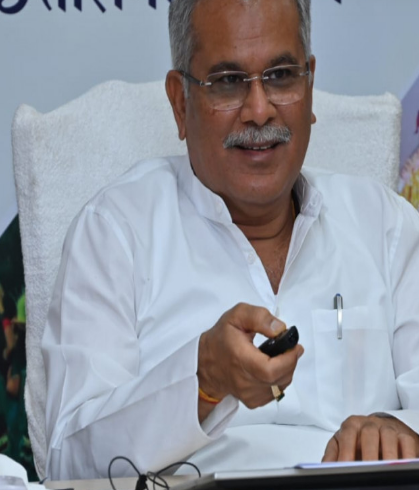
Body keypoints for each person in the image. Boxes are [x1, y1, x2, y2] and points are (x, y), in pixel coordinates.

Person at [41, 0, 419, 480]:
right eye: (228, 82)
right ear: (180, 103)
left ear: (309, 87)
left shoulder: (385, 226)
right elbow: (68, 460)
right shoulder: (116, 232)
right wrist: (203, 382)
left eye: (280, 76)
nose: (259, 111)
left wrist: (401, 429)